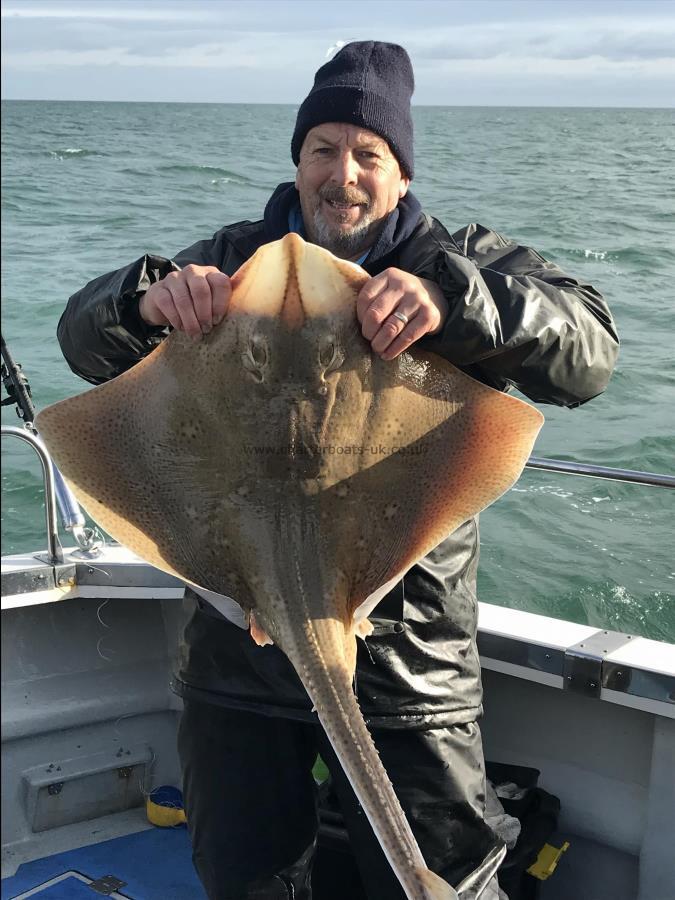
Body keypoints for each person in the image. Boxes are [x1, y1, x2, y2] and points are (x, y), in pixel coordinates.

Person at [57, 41, 618, 900]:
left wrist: (457, 304)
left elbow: (587, 351)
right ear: (297, 160)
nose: (343, 173)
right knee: (247, 880)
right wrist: (141, 300)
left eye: (368, 154)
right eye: (323, 149)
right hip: (233, 652)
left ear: (399, 174)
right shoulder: (232, 256)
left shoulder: (452, 261)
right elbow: (81, 343)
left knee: (443, 884)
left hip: (407, 663)